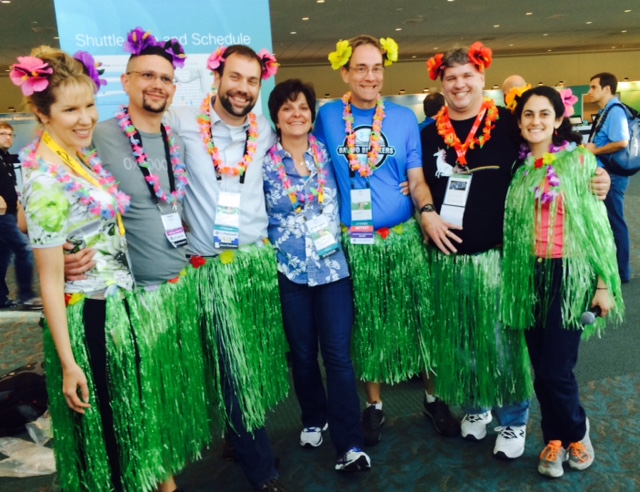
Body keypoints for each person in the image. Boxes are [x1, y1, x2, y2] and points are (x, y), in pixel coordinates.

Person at [11, 46, 148, 491]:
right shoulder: (46, 178)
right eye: (70, 109)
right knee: (109, 431)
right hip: (89, 315)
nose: (86, 118)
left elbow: (24, 220)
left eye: (89, 105)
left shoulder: (70, 155)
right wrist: (70, 364)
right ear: (43, 113)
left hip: (113, 305)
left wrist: (61, 242)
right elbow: (49, 282)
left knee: (126, 418)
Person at [315, 35, 458, 445]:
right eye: (361, 68)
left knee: (422, 321)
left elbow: (417, 179)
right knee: (367, 327)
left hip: (402, 238)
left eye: (376, 68)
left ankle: (433, 398)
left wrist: (426, 209)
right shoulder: (327, 117)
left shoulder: (402, 118)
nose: (370, 76)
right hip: (355, 243)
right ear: (345, 73)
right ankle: (374, 406)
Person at [88, 29, 209, 492]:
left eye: (165, 78)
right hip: (135, 295)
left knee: (168, 391)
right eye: (147, 76)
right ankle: (160, 482)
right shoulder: (100, 135)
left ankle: (164, 475)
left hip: (178, 286)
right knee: (139, 397)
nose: (157, 85)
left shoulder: (173, 138)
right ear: (126, 80)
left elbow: (172, 206)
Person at [165, 45, 290, 492]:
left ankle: (238, 439)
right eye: (235, 77)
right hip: (211, 269)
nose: (242, 88)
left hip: (256, 265)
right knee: (236, 367)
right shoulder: (182, 123)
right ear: (217, 77)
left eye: (252, 81)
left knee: (251, 361)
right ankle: (262, 470)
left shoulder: (266, 131)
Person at [502, 85, 624, 478]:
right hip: (529, 276)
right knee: (541, 367)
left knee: (557, 369)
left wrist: (603, 285)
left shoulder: (579, 162)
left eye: (544, 114)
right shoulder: (521, 171)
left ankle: (577, 432)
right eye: (528, 114)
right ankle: (553, 439)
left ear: (558, 120)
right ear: (520, 122)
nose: (535, 121)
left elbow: (600, 229)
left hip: (570, 275)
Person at [422, 42, 534, 461]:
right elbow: (415, 181)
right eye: (451, 77)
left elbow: (553, 150)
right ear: (441, 83)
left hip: (497, 257)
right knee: (461, 340)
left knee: (503, 344)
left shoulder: (507, 123)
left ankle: (513, 419)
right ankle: (476, 405)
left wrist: (595, 174)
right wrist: (424, 212)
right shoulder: (428, 133)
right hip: (448, 260)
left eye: (467, 75)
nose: (459, 84)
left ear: (482, 77)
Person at [263, 78, 371, 472]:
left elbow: (364, 179)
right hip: (290, 270)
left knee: (338, 357)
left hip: (332, 270)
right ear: (276, 116)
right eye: (287, 108)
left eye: (303, 107)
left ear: (312, 114)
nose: (296, 114)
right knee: (305, 355)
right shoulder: (264, 163)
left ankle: (350, 444)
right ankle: (313, 416)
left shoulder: (329, 154)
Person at [586, 72, 631, 283]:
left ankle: (622, 272)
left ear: (607, 89)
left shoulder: (615, 111)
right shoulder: (607, 111)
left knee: (615, 222)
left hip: (613, 174)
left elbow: (622, 142)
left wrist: (594, 151)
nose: (590, 91)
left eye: (593, 87)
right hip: (607, 173)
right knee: (609, 221)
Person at [0, 121, 42, 310]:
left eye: (10, 134)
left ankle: (1, 298)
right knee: (24, 248)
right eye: (2, 133)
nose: (7, 137)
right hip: (2, 215)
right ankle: (26, 295)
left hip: (9, 212)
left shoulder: (6, 158)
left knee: (3, 256)